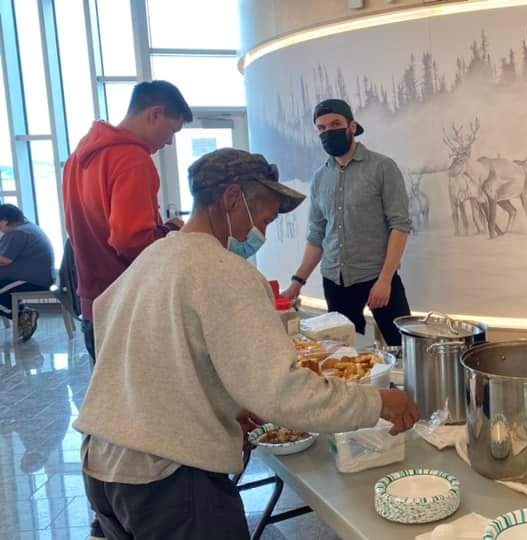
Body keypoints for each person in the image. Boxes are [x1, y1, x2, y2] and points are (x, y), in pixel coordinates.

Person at [73, 148, 418, 539]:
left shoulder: (156, 254)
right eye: (266, 219)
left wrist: (219, 402)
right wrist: (377, 403)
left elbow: (118, 332)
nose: (264, 234)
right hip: (169, 478)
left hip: (104, 463)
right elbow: (283, 393)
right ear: (232, 198)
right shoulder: (225, 272)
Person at [63, 80, 192, 362]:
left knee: (112, 402)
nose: (169, 142)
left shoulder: (78, 158)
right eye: (172, 130)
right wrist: (171, 230)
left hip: (92, 306)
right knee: (145, 404)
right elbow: (129, 239)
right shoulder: (132, 159)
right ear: (155, 114)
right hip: (127, 305)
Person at [281, 99, 412, 346]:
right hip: (335, 281)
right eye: (321, 128)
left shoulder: (382, 168)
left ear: (352, 126)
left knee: (402, 346)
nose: (328, 132)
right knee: (341, 351)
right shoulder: (320, 177)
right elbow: (317, 234)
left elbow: (400, 226)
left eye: (335, 124)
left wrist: (385, 279)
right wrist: (296, 283)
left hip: (378, 277)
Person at [0, 203, 55, 341]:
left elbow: (5, 260)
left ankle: (22, 315)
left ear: (5, 220)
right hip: (39, 277)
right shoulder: (28, 228)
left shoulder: (17, 232)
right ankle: (23, 314)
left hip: (32, 280)